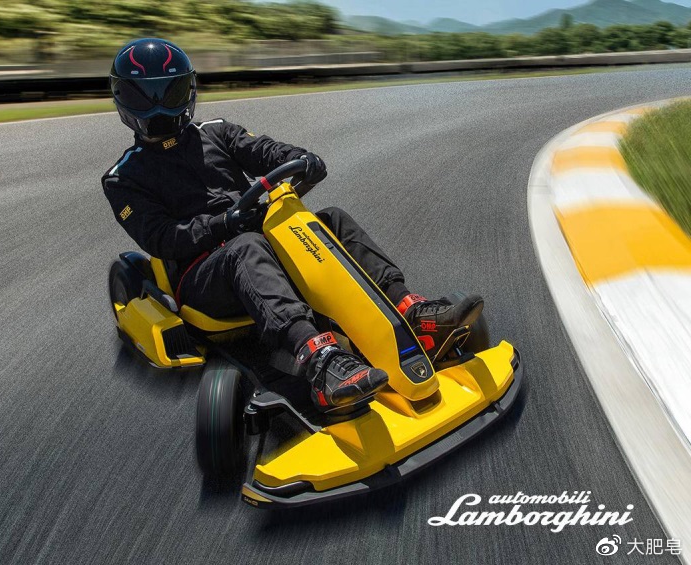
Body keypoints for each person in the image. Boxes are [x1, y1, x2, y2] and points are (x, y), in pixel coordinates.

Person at [102, 38, 484, 413]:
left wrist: (302, 159)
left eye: (169, 92)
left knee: (330, 219)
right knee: (246, 247)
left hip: (257, 240)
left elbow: (265, 150)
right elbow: (162, 238)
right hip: (202, 276)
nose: (159, 107)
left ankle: (410, 313)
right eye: (145, 97)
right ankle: (320, 361)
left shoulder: (216, 132)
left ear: (187, 90)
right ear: (123, 99)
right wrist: (223, 223)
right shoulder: (123, 177)